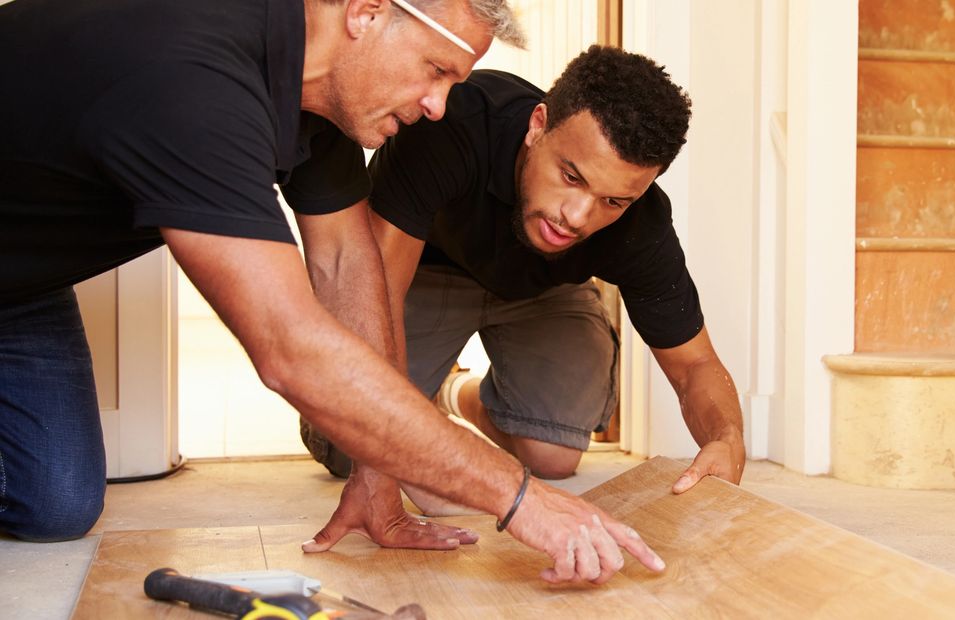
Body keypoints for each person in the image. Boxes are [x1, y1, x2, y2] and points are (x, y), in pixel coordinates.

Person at [0, 0, 664, 586]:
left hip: (24, 289)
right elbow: (291, 348)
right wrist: (522, 498)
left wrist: (377, 474)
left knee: (57, 505)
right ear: (367, 11)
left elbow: (347, 261)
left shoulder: (314, 93)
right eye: (435, 70)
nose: (438, 106)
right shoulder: (191, 74)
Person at [303, 45, 747, 516]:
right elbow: (375, 296)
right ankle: (416, 406)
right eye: (571, 177)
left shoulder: (642, 224)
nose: (576, 217)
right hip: (428, 272)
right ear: (538, 125)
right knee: (352, 448)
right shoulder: (453, 125)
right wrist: (421, 457)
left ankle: (452, 393)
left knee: (550, 456)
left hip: (544, 290)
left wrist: (727, 438)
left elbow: (695, 365)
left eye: (613, 201)